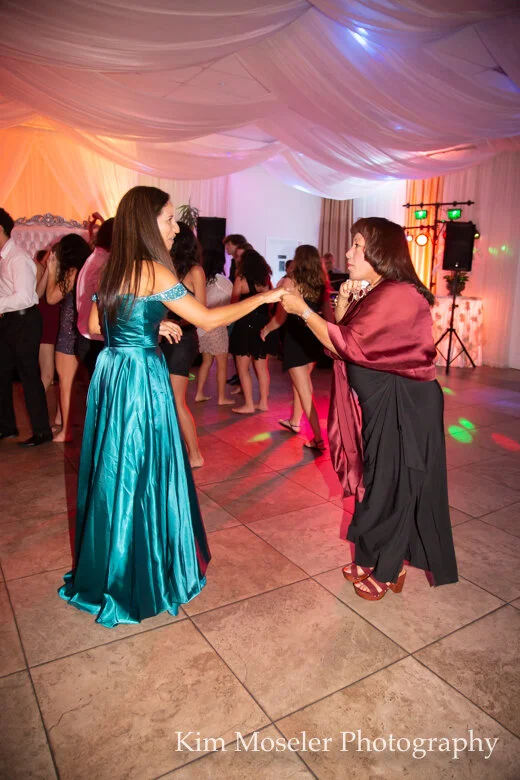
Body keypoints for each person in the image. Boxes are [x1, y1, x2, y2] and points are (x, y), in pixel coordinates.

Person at [59, 186, 284, 627]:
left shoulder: (113, 266)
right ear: (147, 223)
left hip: (111, 372)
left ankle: (109, 569)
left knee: (114, 469)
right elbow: (207, 318)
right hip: (140, 378)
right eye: (168, 218)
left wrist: (146, 325)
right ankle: (139, 576)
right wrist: (263, 298)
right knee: (144, 471)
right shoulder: (153, 270)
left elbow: (94, 325)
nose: (176, 227)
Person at [281, 218, 458, 601]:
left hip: (406, 405)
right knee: (377, 482)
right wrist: (344, 303)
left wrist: (305, 311)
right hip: (381, 403)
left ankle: (391, 569)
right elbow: (339, 347)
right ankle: (367, 554)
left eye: (357, 244)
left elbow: (349, 344)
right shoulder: (377, 291)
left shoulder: (399, 293)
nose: (348, 253)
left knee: (396, 487)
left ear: (380, 250)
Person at [261, 245, 332, 451]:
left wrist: (266, 330)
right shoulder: (322, 283)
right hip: (313, 339)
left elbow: (280, 317)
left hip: (295, 340)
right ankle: (294, 421)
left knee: (304, 390)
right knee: (302, 383)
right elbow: (329, 316)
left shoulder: (291, 282)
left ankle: (318, 439)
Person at [0, 208, 52, 447]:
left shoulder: (18, 258)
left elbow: (24, 297)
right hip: (8, 320)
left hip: (23, 321)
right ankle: (7, 427)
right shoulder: (4, 257)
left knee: (28, 376)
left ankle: (42, 432)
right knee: (2, 374)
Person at [160, 222, 206, 467]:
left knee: (176, 400)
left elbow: (201, 311)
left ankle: (195, 455)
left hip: (183, 340)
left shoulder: (195, 271)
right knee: (166, 398)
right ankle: (173, 451)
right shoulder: (165, 268)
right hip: (164, 337)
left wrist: (175, 320)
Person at [46, 233, 92, 442]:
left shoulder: (73, 272)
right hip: (85, 331)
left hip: (70, 332)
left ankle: (66, 431)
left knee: (65, 383)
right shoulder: (88, 268)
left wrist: (52, 270)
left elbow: (51, 298)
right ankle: (61, 419)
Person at [228, 248, 277, 414]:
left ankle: (249, 404)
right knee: (262, 368)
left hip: (244, 325)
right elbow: (271, 304)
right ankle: (263, 402)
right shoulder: (266, 281)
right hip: (262, 325)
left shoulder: (241, 279)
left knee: (243, 368)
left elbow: (234, 304)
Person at [195, 248, 234, 405]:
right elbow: (233, 299)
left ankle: (199, 393)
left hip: (202, 327)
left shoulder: (202, 280)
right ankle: (221, 397)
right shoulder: (222, 281)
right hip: (217, 325)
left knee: (206, 362)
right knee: (222, 364)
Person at [76, 218, 115, 377]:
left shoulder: (96, 257)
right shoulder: (104, 263)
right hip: (95, 338)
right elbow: (107, 301)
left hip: (89, 337)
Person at [34, 249, 61, 426]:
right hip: (47, 325)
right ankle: (36, 414)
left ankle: (60, 417)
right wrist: (48, 270)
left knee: (63, 377)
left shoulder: (67, 274)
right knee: (47, 374)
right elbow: (37, 294)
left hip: (62, 327)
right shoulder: (40, 270)